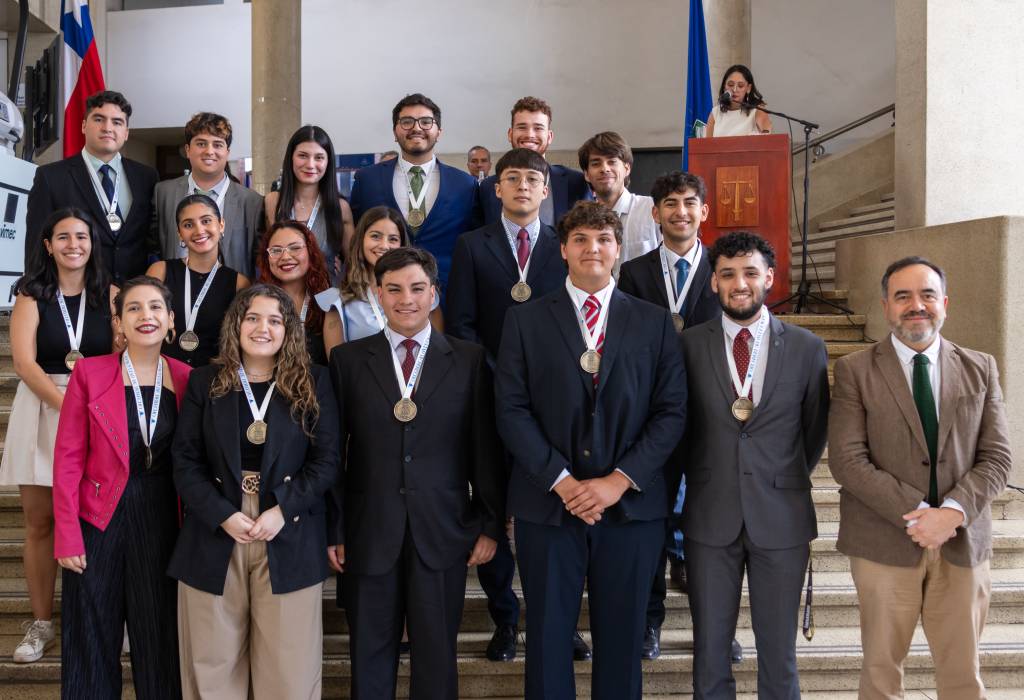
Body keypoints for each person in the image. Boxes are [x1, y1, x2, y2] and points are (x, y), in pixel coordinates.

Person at [494, 201, 686, 700]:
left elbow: (671, 414)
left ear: (618, 249)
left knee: (622, 639)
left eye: (603, 239)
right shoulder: (524, 320)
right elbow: (511, 410)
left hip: (630, 508)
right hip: (547, 504)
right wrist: (562, 481)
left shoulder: (654, 322)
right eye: (580, 239)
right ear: (562, 250)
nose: (592, 248)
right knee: (547, 635)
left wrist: (616, 481)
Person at [829, 257, 1012, 700]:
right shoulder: (855, 370)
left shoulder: (980, 367)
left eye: (927, 295)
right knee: (880, 675)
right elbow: (848, 461)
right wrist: (917, 516)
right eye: (903, 296)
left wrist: (950, 513)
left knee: (963, 677)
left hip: (962, 543)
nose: (917, 306)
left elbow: (998, 457)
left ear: (944, 303)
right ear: (886, 306)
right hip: (883, 544)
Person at [328, 247, 504, 700]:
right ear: (378, 295)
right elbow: (333, 453)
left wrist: (487, 523)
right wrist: (336, 527)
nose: (406, 299)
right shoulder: (348, 361)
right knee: (369, 652)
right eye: (394, 290)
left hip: (443, 529)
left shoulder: (468, 360)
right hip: (368, 531)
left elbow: (483, 449)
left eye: (417, 288)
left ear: (434, 294)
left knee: (436, 654)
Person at [446, 147, 585, 663]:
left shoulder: (563, 247)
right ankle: (505, 618)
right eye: (512, 179)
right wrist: (497, 378)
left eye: (532, 178)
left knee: (555, 519)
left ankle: (562, 622)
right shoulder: (471, 246)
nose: (522, 186)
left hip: (552, 409)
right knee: (494, 509)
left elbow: (575, 326)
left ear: (546, 190)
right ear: (496, 188)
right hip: (488, 401)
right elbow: (461, 324)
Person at [169, 284, 339, 700]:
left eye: (275, 320)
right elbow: (185, 461)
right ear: (236, 325)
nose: (263, 328)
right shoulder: (205, 381)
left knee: (289, 669)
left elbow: (327, 460)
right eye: (253, 318)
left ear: (289, 330)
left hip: (288, 526)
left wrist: (282, 510)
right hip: (216, 526)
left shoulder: (314, 380)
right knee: (211, 667)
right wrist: (222, 514)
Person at [680, 231, 829, 700]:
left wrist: (779, 477)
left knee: (779, 653)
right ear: (713, 283)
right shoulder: (687, 346)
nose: (738, 283)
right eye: (727, 274)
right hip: (709, 515)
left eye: (749, 272)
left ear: (769, 277)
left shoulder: (807, 347)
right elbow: (680, 428)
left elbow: (814, 430)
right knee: (709, 651)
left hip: (782, 517)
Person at [53, 276, 192, 699]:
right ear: (118, 321)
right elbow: (68, 457)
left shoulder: (189, 378)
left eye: (155, 308)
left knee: (161, 638)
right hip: (98, 516)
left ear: (171, 320)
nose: (144, 316)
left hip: (164, 517)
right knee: (89, 636)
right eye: (133, 308)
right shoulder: (90, 374)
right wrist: (67, 534)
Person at [617, 171, 731, 661]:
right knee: (650, 526)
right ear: (656, 212)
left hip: (713, 416)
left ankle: (716, 631)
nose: (679, 212)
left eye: (689, 203)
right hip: (652, 417)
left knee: (712, 531)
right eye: (669, 203)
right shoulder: (635, 273)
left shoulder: (726, 270)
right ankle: (649, 622)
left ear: (703, 211)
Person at [1, 209, 117, 664]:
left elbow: (117, 354)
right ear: (47, 244)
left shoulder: (109, 295)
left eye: (82, 236)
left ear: (93, 243)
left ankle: (106, 615)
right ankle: (42, 623)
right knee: (40, 522)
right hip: (45, 405)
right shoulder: (31, 295)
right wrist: (69, 405)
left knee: (99, 518)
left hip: (97, 409)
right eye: (63, 237)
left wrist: (93, 407)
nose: (73, 244)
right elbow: (25, 363)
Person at [349, 93, 480, 297]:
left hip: (447, 294)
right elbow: (358, 234)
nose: (417, 128)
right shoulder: (367, 180)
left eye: (426, 122)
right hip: (383, 295)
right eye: (407, 122)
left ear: (439, 132)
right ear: (395, 131)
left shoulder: (465, 185)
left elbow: (473, 242)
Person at [26, 90, 158, 285]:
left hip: (133, 298)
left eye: (117, 122)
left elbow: (152, 241)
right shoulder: (50, 177)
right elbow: (37, 245)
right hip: (77, 296)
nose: (107, 128)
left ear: (126, 133)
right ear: (83, 126)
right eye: (99, 119)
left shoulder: (147, 177)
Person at [153, 112, 264, 279]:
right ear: (188, 150)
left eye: (218, 145)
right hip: (175, 295)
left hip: (233, 297)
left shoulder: (251, 201)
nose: (209, 151)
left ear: (227, 152)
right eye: (201, 143)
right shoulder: (163, 193)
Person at [147, 194, 250, 367]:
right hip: (163, 374)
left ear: (221, 225)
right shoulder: (160, 271)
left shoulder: (239, 283)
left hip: (213, 379)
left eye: (206, 221)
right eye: (188, 225)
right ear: (180, 233)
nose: (199, 230)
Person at [478, 96, 591, 226]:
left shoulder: (576, 183)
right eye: (522, 127)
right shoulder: (487, 187)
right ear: (510, 134)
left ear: (549, 136)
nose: (530, 135)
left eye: (538, 128)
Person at [264, 125, 355, 284]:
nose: (310, 164)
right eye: (303, 156)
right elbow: (266, 254)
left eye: (319, 157)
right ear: (291, 157)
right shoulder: (273, 202)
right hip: (283, 299)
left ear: (328, 162)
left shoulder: (340, 208)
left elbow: (354, 264)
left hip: (326, 299)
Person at [578, 131, 659, 272]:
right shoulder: (580, 220)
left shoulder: (652, 210)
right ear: (586, 174)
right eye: (596, 163)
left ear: (627, 168)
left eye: (612, 161)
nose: (604, 168)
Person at [255, 221, 332, 365]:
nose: (285, 257)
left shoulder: (328, 299)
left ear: (310, 252)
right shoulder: (254, 301)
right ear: (267, 257)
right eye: (276, 250)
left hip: (317, 384)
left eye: (295, 248)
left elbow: (336, 363)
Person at [705, 64, 772, 138]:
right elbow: (707, 145)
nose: (734, 90)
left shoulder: (757, 110)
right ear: (724, 86)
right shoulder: (715, 112)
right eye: (730, 85)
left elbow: (767, 134)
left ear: (748, 88)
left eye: (740, 86)